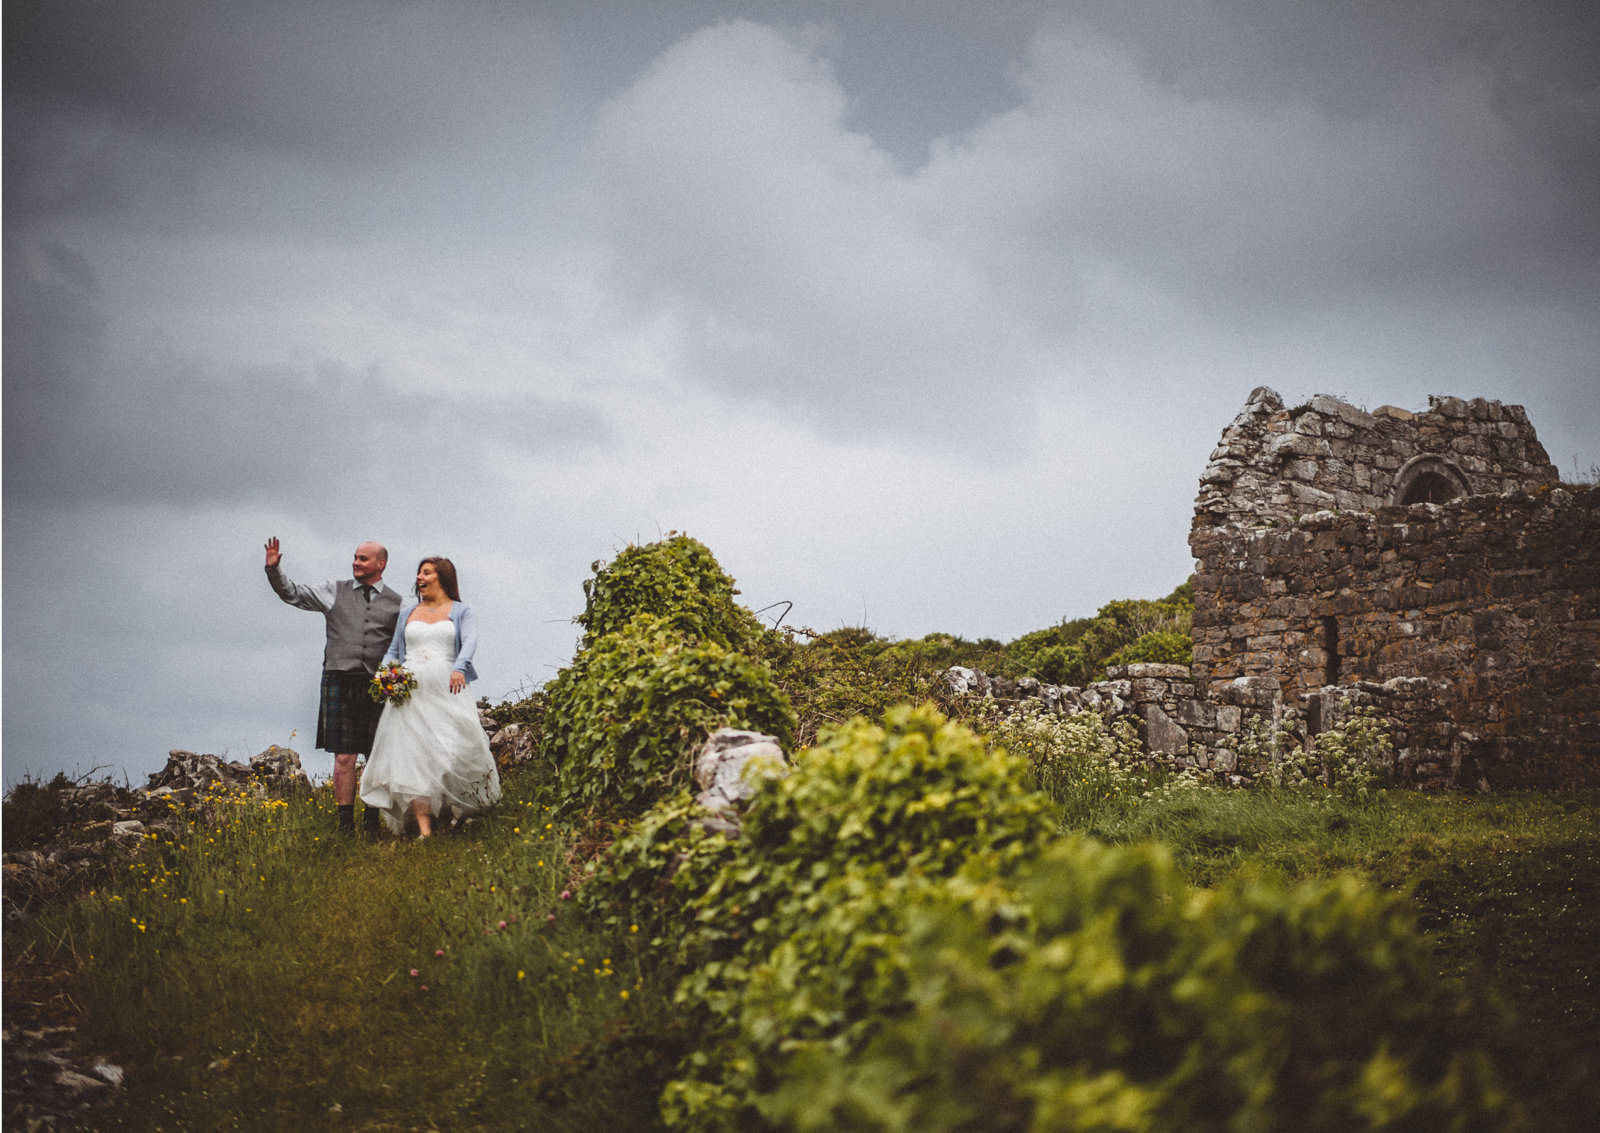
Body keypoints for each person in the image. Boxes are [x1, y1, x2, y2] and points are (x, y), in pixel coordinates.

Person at [264, 537, 403, 834]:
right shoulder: (333, 591)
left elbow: (401, 646)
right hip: (339, 678)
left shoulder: (396, 603)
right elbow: (294, 594)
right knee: (344, 756)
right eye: (355, 557)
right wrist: (275, 571)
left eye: (363, 559)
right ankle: (344, 826)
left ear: (381, 564)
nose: (355, 562)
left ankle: (371, 820)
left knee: (375, 754)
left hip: (377, 684)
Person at [360, 557, 501, 838]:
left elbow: (470, 641)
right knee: (412, 756)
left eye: (426, 573)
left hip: (447, 688)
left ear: (442, 577)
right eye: (419, 573)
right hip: (410, 693)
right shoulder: (408, 612)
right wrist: (385, 674)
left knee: (451, 749)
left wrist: (460, 668)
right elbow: (394, 650)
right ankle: (425, 829)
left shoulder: (461, 611)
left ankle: (455, 811)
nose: (419, 578)